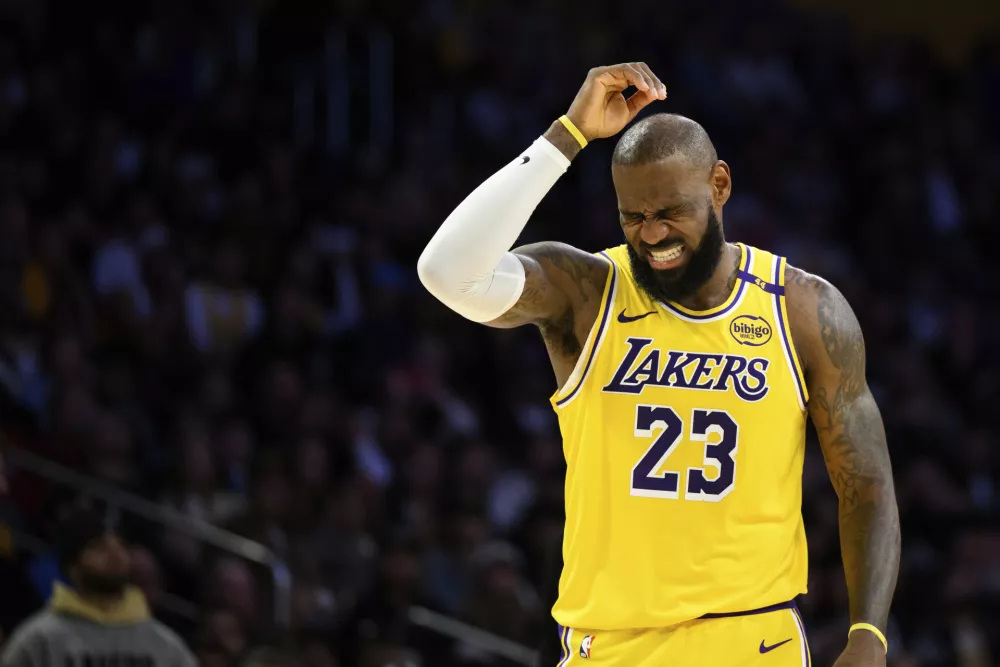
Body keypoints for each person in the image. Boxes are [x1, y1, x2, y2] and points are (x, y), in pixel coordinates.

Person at [418, 63, 901, 666]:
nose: (652, 235)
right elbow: (446, 273)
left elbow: (866, 484)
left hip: (751, 640)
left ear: (719, 185)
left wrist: (868, 635)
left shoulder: (801, 309)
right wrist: (567, 135)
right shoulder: (589, 292)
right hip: (609, 645)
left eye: (671, 211)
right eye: (632, 216)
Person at [0, 507, 196, 667]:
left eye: (121, 546)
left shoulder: (165, 644)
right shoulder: (40, 639)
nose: (116, 555)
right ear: (73, 567)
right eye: (99, 547)